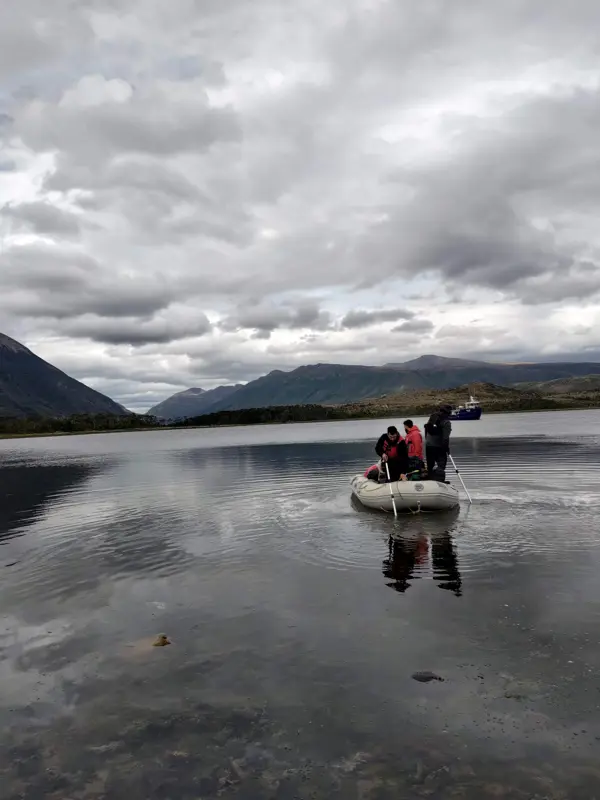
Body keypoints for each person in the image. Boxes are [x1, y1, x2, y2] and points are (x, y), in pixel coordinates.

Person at [424, 404, 452, 480]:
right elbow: (445, 438)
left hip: (429, 445)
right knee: (442, 464)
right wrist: (446, 448)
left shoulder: (433, 417)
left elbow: (427, 429)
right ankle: (439, 480)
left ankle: (430, 478)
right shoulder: (446, 422)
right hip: (439, 446)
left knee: (430, 465)